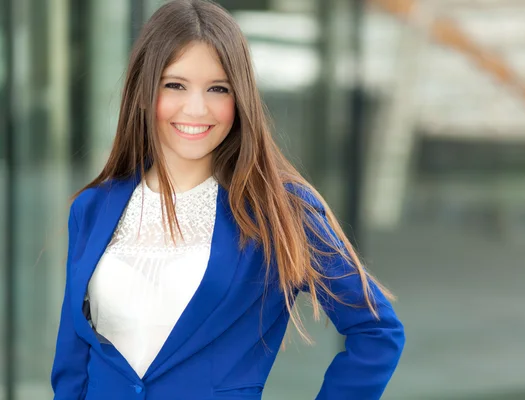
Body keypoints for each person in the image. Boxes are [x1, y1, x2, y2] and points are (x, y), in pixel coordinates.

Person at [50, 1, 405, 399]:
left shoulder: (281, 209)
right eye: (175, 85)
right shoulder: (93, 208)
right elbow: (73, 362)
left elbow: (376, 330)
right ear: (144, 93)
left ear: (240, 101)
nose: (196, 108)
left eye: (218, 89)